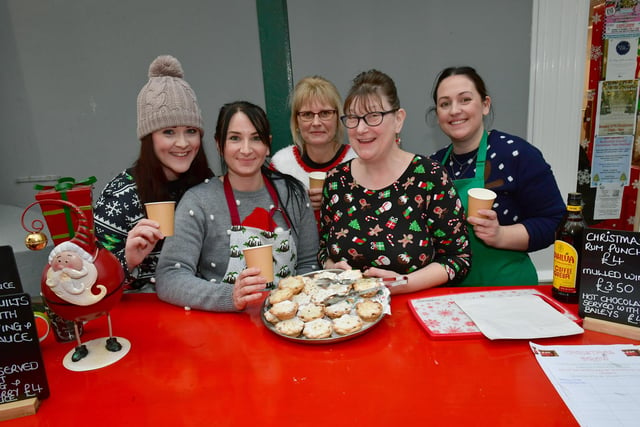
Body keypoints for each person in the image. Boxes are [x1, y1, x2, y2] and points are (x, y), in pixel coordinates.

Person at [317, 70, 471, 294]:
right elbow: (323, 251)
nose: (361, 129)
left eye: (373, 116)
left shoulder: (429, 177)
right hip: (349, 315)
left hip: (412, 310)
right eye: (352, 118)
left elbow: (458, 259)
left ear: (398, 120)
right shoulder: (336, 181)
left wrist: (404, 283)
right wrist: (332, 267)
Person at [156, 101, 319, 312]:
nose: (246, 149)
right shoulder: (198, 201)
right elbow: (170, 277)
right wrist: (229, 297)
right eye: (234, 138)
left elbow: (310, 267)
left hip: (288, 322)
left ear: (268, 144)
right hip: (223, 329)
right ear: (219, 144)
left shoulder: (293, 193)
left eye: (256, 138)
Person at [428, 65, 565, 286]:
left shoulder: (516, 154)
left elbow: (555, 222)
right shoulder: (432, 165)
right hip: (447, 294)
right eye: (445, 104)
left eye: (465, 100)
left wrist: (500, 235)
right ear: (438, 115)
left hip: (506, 291)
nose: (454, 110)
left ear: (485, 105)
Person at [94, 55, 213, 292]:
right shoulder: (120, 197)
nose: (182, 143)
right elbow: (93, 284)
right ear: (149, 138)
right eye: (168, 132)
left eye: (191, 131)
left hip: (202, 307)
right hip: (142, 316)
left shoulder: (207, 185)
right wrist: (128, 260)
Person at [270, 76, 357, 215]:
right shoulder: (282, 166)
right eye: (307, 114)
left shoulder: (357, 161)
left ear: (338, 118)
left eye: (325, 113)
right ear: (296, 121)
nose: (316, 122)